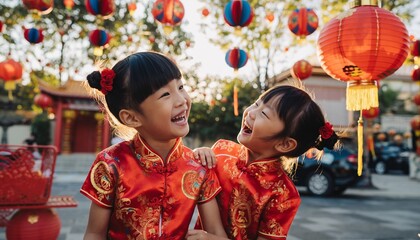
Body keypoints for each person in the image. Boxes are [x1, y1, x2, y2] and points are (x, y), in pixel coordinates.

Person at [80, 51, 227, 239]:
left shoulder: (199, 166)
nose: (182, 100)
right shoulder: (111, 163)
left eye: (181, 87)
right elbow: (94, 234)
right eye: (165, 94)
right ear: (131, 117)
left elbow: (218, 234)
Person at [191, 84, 340, 239]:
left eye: (264, 113)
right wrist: (198, 155)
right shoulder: (221, 150)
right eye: (256, 103)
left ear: (285, 144)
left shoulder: (283, 194)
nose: (251, 112)